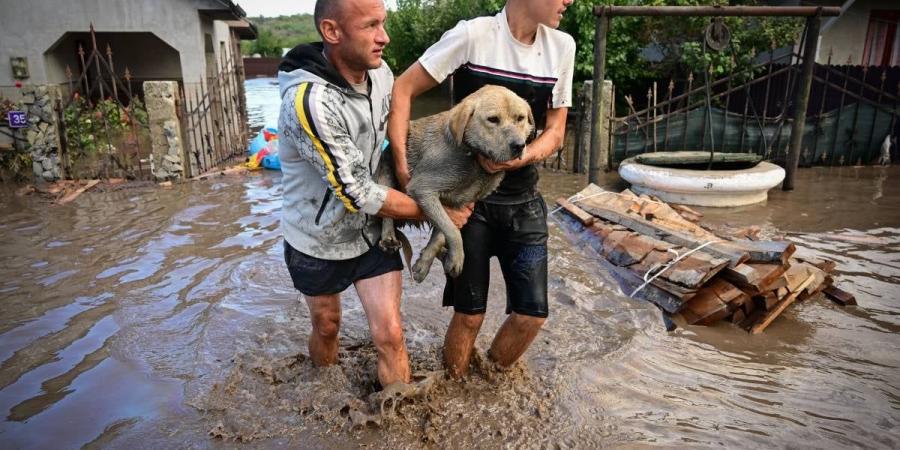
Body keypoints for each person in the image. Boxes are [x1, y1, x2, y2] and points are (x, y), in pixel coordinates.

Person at [277, 0, 472, 388]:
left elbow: (400, 135)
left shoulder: (381, 72)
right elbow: (358, 193)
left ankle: (399, 426)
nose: (385, 37)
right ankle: (323, 393)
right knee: (328, 326)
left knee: (390, 334)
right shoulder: (309, 103)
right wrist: (437, 213)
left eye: (383, 23)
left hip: (372, 236)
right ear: (332, 32)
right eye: (371, 26)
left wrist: (424, 173)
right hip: (318, 240)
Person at [388, 0, 576, 378]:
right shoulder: (473, 35)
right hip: (468, 200)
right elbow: (403, 89)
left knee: (531, 315)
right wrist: (404, 170)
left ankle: (489, 381)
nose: (568, 1)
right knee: (470, 315)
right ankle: (455, 390)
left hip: (524, 200)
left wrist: (520, 158)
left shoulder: (562, 47)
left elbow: (556, 130)